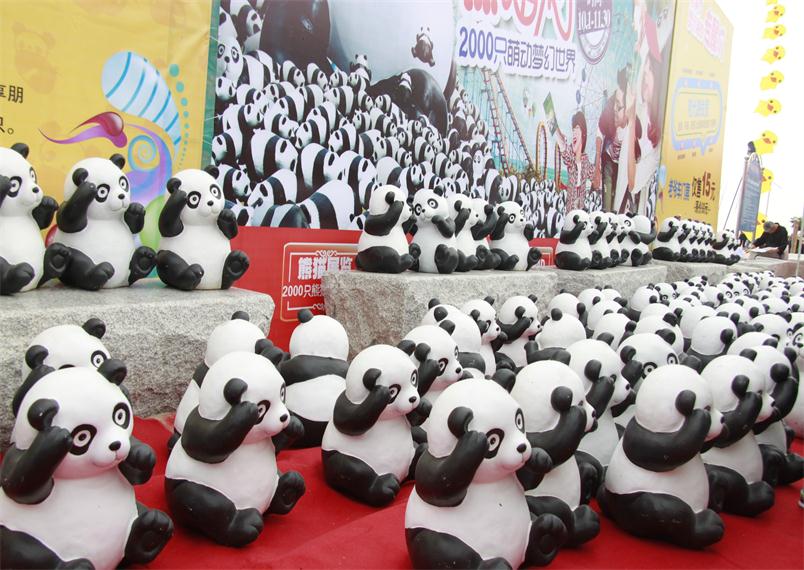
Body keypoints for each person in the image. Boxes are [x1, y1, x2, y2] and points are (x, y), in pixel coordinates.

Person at [593, 67, 641, 212]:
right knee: (607, 206)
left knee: (618, 206)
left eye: (619, 107)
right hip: (608, 160)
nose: (615, 108)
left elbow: (637, 159)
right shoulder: (609, 109)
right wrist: (597, 167)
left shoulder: (634, 126)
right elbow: (599, 133)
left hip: (622, 167)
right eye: (615, 103)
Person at [556, 111, 594, 212]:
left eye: (577, 128)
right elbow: (562, 146)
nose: (574, 133)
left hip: (581, 210)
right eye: (573, 129)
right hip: (570, 210)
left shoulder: (585, 161)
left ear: (583, 133)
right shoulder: (570, 157)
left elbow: (595, 177)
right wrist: (558, 132)